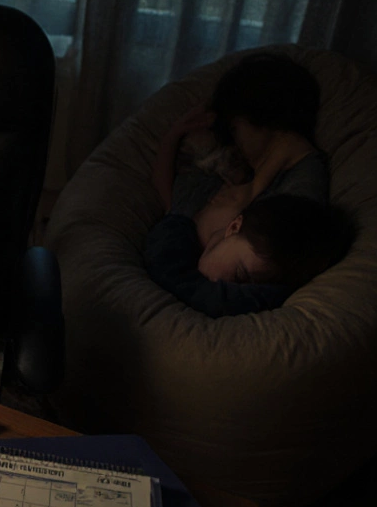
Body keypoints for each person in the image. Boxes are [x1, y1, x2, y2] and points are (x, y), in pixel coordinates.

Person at [145, 53, 353, 315]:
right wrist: (173, 135)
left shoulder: (299, 180)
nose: (236, 141)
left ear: (262, 118)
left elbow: (287, 252)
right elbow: (169, 201)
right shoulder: (228, 176)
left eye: (235, 128)